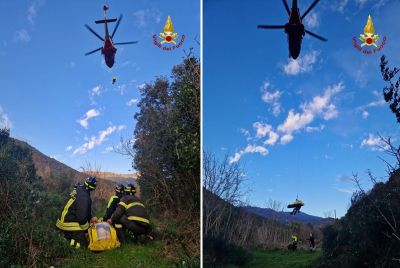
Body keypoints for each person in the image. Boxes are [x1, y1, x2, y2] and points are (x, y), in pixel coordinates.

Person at [56, 176, 97, 248]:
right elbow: (81, 218)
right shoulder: (84, 197)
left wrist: (91, 218)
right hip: (69, 224)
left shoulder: (78, 189)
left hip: (61, 221)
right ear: (93, 188)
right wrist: (87, 229)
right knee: (83, 245)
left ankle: (64, 235)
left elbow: (84, 210)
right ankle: (65, 241)